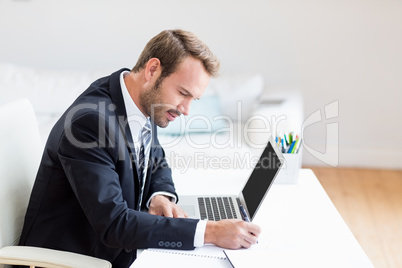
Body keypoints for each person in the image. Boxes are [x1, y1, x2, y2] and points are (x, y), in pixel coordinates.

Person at [19, 29, 260, 268]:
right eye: (183, 93)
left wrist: (159, 196)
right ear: (153, 70)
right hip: (76, 259)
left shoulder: (141, 101)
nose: (186, 109)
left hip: (119, 250)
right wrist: (210, 231)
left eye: (192, 99)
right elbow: (115, 225)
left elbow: (156, 159)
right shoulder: (89, 123)